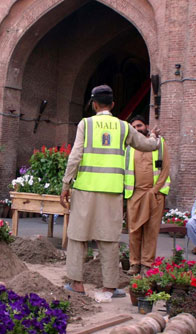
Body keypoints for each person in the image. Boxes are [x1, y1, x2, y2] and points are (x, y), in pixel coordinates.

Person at [60, 85, 160, 299]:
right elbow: (146, 145)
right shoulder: (124, 127)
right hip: (112, 192)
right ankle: (109, 287)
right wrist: (155, 138)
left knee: (78, 236)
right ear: (113, 104)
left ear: (94, 104)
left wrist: (66, 184)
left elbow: (75, 156)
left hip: (85, 189)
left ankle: (76, 283)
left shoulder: (85, 125)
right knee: (108, 239)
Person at [125, 114, 171, 275]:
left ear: (146, 126)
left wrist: (155, 190)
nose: (137, 129)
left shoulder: (159, 144)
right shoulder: (128, 147)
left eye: (139, 126)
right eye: (134, 127)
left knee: (151, 231)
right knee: (134, 230)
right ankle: (134, 264)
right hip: (135, 194)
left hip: (154, 194)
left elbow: (165, 169)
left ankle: (147, 265)